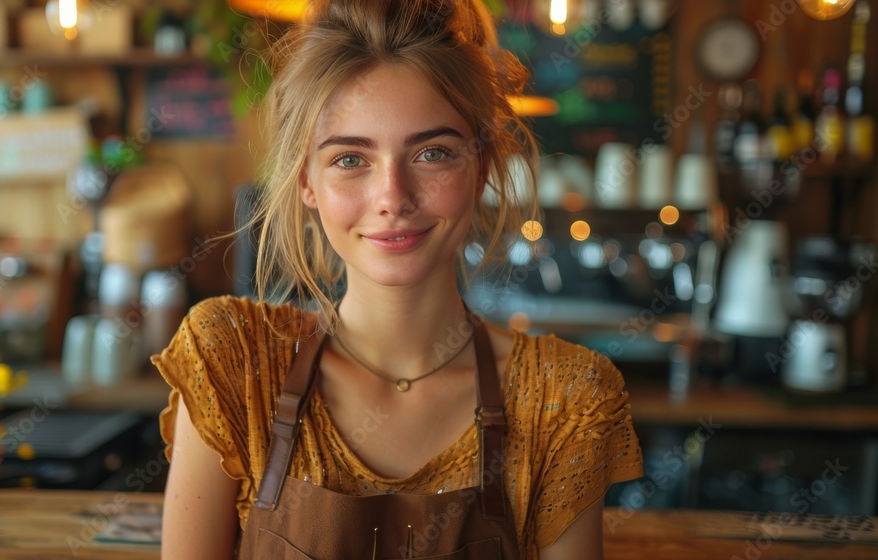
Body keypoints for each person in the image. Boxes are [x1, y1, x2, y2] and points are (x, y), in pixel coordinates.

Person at [153, 0, 644, 558]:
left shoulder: (565, 398)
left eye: (433, 153)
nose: (393, 198)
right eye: (349, 159)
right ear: (306, 181)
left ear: (482, 167)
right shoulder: (233, 362)